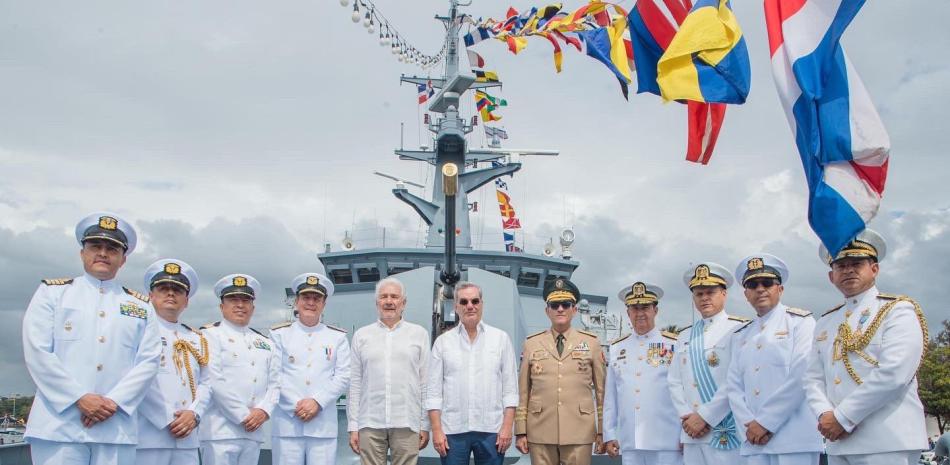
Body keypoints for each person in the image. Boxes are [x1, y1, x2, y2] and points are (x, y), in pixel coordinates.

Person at [22, 212, 160, 465]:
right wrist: (79, 398)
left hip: (115, 426)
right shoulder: (53, 294)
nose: (103, 253)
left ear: (123, 259)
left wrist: (114, 402)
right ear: (82, 253)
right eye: (96, 246)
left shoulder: (140, 305)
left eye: (112, 249)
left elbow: (149, 361)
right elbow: (38, 352)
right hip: (59, 425)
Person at [804, 229, 929, 465]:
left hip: (886, 439)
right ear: (831, 276)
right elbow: (813, 378)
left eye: (857, 263)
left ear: (874, 269)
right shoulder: (826, 321)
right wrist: (824, 415)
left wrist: (842, 417)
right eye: (840, 265)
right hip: (838, 441)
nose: (848, 270)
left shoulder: (897, 311)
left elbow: (894, 374)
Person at [726, 255, 823, 465]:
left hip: (794, 438)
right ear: (746, 294)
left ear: (780, 289)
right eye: (752, 284)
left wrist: (766, 422)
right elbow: (733, 386)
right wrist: (748, 425)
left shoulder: (800, 322)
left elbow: (801, 375)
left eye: (767, 283)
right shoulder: (741, 334)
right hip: (754, 440)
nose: (760, 289)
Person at [514, 277, 606, 465]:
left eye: (566, 304)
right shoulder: (532, 343)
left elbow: (602, 392)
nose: (560, 309)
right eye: (555, 305)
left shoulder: (591, 343)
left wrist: (602, 430)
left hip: (579, 430)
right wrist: (521, 431)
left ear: (575, 309)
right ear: (547, 310)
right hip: (540, 430)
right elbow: (523, 392)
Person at [426, 282, 518, 465]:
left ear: (481, 304)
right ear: (456, 306)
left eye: (475, 301)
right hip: (453, 431)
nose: (470, 306)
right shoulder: (443, 343)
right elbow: (434, 392)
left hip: (492, 430)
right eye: (464, 301)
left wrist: (507, 427)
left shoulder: (500, 339)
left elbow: (510, 389)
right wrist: (436, 430)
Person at [668, 262, 750, 465]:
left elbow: (736, 380)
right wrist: (687, 417)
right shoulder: (684, 335)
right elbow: (674, 381)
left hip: (725, 427)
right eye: (699, 294)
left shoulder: (739, 330)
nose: (704, 298)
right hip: (692, 432)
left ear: (724, 293)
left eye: (710, 292)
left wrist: (705, 417)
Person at [348, 277, 431, 465]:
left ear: (404, 303)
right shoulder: (362, 336)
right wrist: (354, 426)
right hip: (370, 422)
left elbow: (425, 382)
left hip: (407, 422)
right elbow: (355, 384)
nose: (389, 301)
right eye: (384, 296)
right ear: (377, 302)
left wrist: (424, 424)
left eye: (394, 296)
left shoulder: (419, 334)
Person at [270, 272, 351, 465]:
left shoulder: (337, 337)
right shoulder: (279, 335)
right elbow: (273, 374)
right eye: (306, 297)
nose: (311, 303)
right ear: (296, 301)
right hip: (287, 425)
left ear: (324, 304)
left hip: (322, 426)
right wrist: (297, 405)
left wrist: (317, 402)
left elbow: (344, 376)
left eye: (317, 298)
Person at [137, 259, 210, 465]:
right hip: (148, 435)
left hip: (188, 438)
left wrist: (194, 414)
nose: (171, 293)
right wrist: (168, 418)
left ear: (186, 300)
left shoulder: (196, 338)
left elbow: (207, 382)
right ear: (151, 296)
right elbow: (134, 378)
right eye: (163, 288)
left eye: (177, 290)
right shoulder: (138, 330)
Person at [199, 274, 279, 465]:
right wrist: (244, 416)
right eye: (233, 300)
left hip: (253, 432)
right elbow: (213, 379)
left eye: (245, 300)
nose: (240, 305)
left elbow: (276, 383)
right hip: (219, 432)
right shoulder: (210, 335)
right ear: (222, 306)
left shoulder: (266, 342)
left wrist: (264, 411)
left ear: (253, 307)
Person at [603, 281, 683, 465]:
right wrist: (609, 433)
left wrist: (685, 434)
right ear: (627, 312)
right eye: (635, 308)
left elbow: (685, 390)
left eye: (645, 307)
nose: (640, 313)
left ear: (655, 310)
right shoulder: (617, 348)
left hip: (667, 440)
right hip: (631, 441)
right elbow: (611, 395)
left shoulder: (674, 344)